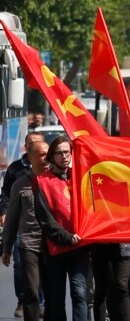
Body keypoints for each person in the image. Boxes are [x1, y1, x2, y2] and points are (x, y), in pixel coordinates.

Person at [33, 136, 89, 321]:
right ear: (52, 156)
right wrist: (66, 237)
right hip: (55, 250)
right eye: (59, 153)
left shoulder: (81, 177)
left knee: (80, 293)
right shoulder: (42, 181)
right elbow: (45, 219)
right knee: (55, 299)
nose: (64, 156)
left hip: (79, 248)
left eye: (67, 152)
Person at [1, 140, 48, 321]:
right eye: (41, 154)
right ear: (30, 156)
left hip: (54, 243)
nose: (45, 158)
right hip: (29, 241)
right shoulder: (19, 183)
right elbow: (12, 218)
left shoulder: (59, 180)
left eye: (47, 154)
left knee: (53, 292)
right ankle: (24, 304)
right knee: (31, 290)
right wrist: (7, 247)